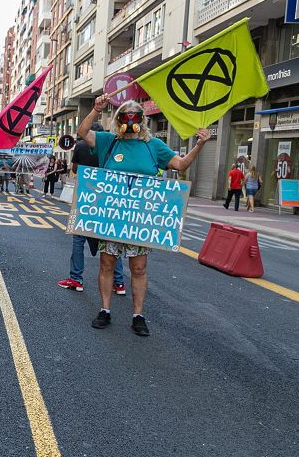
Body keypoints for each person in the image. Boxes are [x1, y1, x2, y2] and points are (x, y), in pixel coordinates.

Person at [77, 97, 210, 336]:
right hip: (111, 217)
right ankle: (105, 310)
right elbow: (83, 131)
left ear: (142, 119)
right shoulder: (109, 142)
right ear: (118, 119)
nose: (129, 119)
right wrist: (96, 109)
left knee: (138, 268)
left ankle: (138, 315)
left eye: (134, 115)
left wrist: (199, 145)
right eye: (125, 115)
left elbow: (180, 165)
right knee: (107, 263)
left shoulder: (153, 146)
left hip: (140, 220)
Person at [58, 122, 125, 296]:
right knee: (111, 240)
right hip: (108, 199)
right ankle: (118, 283)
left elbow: (75, 169)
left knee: (79, 238)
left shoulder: (80, 146)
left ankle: (76, 279)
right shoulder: (114, 145)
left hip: (86, 197)